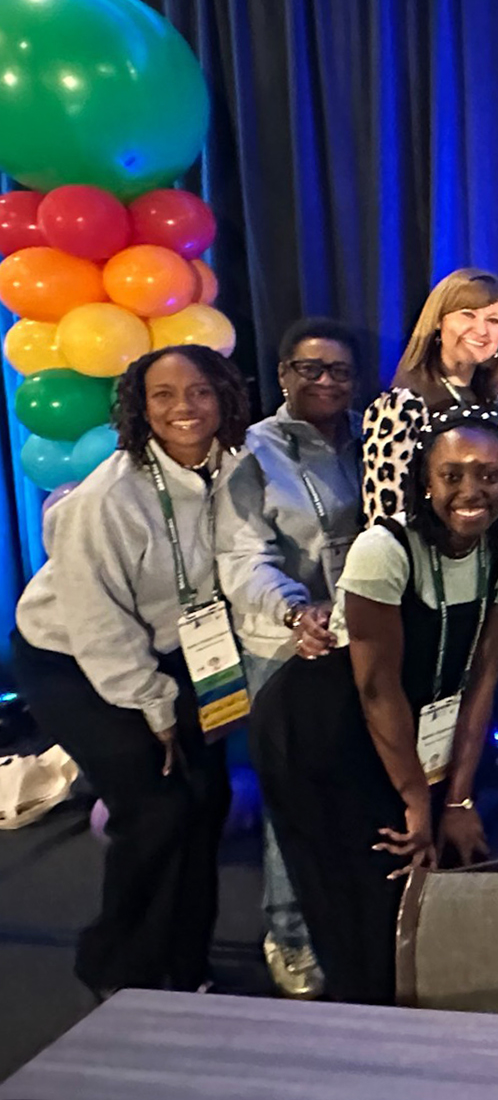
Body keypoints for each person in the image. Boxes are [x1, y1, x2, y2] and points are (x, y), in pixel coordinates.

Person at [250, 406, 498, 1005]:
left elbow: (482, 683)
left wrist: (456, 797)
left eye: (489, 474)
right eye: (452, 475)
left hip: (405, 728)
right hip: (323, 733)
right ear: (425, 481)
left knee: (432, 871)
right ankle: (365, 1020)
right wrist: (414, 799)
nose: (471, 490)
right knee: (364, 885)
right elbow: (377, 688)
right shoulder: (384, 548)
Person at [11, 345, 250, 997]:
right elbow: (97, 622)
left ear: (223, 395)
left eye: (198, 391)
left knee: (207, 801)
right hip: (73, 659)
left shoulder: (237, 469)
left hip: (180, 648)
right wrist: (154, 704)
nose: (183, 407)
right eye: (164, 394)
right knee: (156, 808)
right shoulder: (108, 496)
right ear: (140, 408)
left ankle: (186, 962)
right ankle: (118, 966)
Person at [218, 318, 365, 999]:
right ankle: (289, 932)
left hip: (359, 641)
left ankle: (345, 921)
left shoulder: (371, 437)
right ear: (281, 373)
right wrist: (293, 609)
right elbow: (244, 557)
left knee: (353, 790)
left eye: (339, 369)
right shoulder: (252, 452)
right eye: (311, 368)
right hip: (285, 645)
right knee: (294, 798)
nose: (327, 380)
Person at [362, 268, 498, 521]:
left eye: (493, 320)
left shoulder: (493, 404)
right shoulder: (402, 405)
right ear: (438, 321)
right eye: (468, 314)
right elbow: (386, 517)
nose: (481, 329)